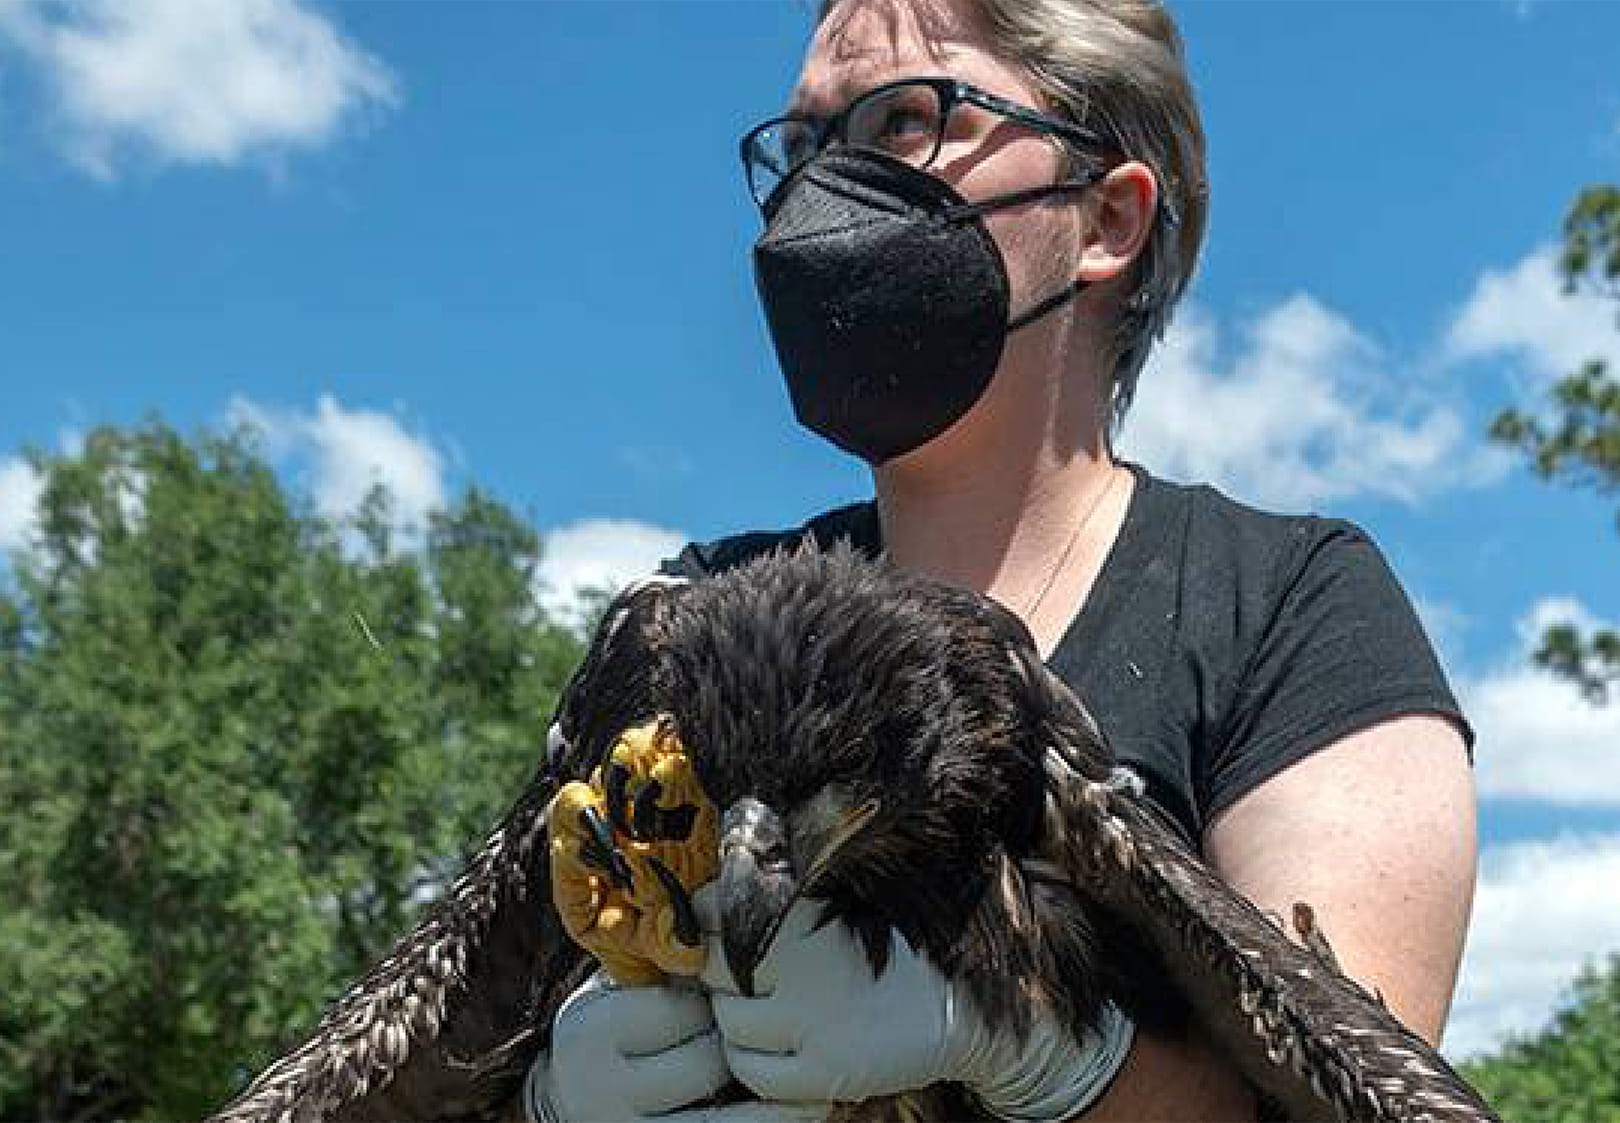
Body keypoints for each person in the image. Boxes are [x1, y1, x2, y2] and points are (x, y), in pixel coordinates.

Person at [522, 0, 1478, 1120]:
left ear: (1104, 221)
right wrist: (542, 1098)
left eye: (903, 122)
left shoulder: (1281, 605)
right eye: (802, 146)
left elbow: (1347, 1098)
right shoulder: (693, 617)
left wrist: (1048, 1059)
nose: (819, 191)